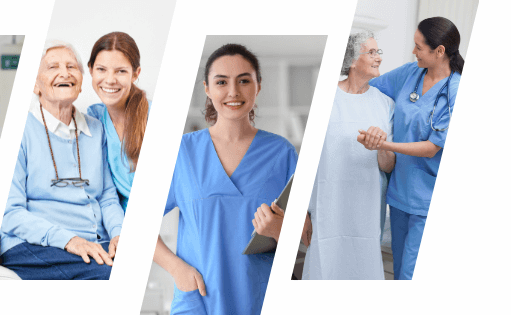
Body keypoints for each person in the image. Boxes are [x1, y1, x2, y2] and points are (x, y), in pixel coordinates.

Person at [153, 44, 297, 314]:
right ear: (207, 88)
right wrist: (176, 268)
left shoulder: (282, 153)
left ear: (258, 85)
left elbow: (308, 233)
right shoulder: (181, 152)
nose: (233, 92)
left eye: (244, 80)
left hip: (259, 298)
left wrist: (281, 230)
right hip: (198, 300)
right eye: (221, 82)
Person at [0, 40, 124, 280]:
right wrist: (70, 240)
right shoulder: (19, 130)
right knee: (108, 276)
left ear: (81, 82)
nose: (65, 73)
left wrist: (119, 234)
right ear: (35, 84)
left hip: (92, 241)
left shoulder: (96, 129)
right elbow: (10, 213)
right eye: (53, 67)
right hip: (33, 243)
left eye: (72, 67)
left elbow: (107, 197)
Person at [364, 16, 463, 280]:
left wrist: (383, 144)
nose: (413, 51)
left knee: (410, 275)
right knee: (399, 271)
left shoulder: (456, 91)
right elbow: (369, 87)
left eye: (419, 47)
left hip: (428, 199)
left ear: (439, 51)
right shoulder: (410, 73)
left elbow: (431, 147)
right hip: (399, 193)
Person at [301, 32, 395, 280]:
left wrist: (382, 145)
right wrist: (302, 212)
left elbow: (388, 166)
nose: (378, 58)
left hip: (366, 212)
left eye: (378, 52)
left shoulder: (385, 104)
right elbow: (304, 162)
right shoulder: (323, 99)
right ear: (352, 60)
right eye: (371, 52)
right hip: (326, 209)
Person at [86, 32, 149, 212]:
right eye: (101, 69)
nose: (110, 80)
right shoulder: (94, 117)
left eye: (121, 71)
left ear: (135, 74)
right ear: (90, 70)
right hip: (114, 220)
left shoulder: (153, 116)